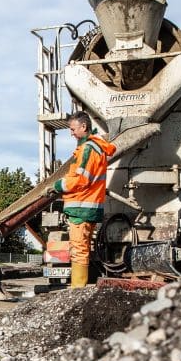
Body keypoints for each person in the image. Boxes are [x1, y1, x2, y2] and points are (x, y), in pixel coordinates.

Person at [52, 111, 116, 288]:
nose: (71, 133)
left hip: (81, 208)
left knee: (79, 250)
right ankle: (78, 289)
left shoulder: (88, 149)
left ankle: (77, 290)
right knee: (82, 249)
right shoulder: (94, 148)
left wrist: (59, 185)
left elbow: (81, 179)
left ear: (83, 126)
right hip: (87, 205)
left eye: (73, 129)